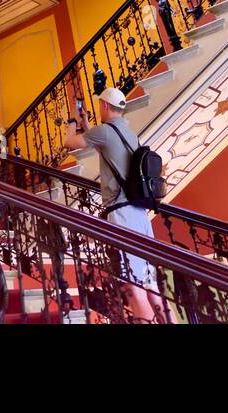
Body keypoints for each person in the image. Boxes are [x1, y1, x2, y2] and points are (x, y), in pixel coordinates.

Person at [63, 87, 166, 323]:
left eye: (100, 105)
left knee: (133, 284)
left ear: (105, 106)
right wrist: (87, 123)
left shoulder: (105, 132)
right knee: (150, 284)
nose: (99, 109)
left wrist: (72, 120)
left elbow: (69, 142)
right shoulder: (129, 133)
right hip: (140, 214)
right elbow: (101, 146)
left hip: (122, 215)